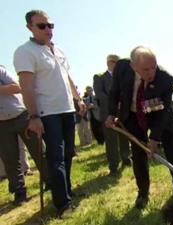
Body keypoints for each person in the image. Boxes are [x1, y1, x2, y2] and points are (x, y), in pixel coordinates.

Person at [13, 9, 84, 216]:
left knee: (68, 153)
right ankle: (62, 204)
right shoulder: (25, 51)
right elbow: (25, 86)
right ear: (30, 28)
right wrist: (33, 116)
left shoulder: (59, 50)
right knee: (56, 157)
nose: (48, 29)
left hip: (67, 109)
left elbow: (67, 77)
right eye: (42, 26)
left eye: (50, 25)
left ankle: (66, 191)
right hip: (48, 112)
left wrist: (77, 98)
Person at [106, 46, 173, 209]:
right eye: (145, 69)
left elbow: (162, 113)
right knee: (138, 154)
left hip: (159, 113)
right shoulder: (122, 67)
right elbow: (114, 91)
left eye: (153, 67)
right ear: (133, 66)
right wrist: (110, 113)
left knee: (171, 150)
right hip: (134, 115)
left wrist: (155, 138)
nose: (151, 73)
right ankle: (143, 193)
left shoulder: (165, 79)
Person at [0, 65, 49, 206]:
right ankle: (19, 192)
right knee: (9, 159)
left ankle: (50, 181)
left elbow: (17, 87)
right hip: (1, 124)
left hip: (21, 116)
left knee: (39, 150)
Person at [93, 54, 131, 175]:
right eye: (115, 62)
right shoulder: (99, 77)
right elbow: (99, 94)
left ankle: (126, 158)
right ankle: (113, 165)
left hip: (122, 112)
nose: (117, 65)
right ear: (109, 62)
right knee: (111, 140)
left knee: (124, 136)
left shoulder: (122, 76)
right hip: (108, 113)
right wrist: (114, 101)